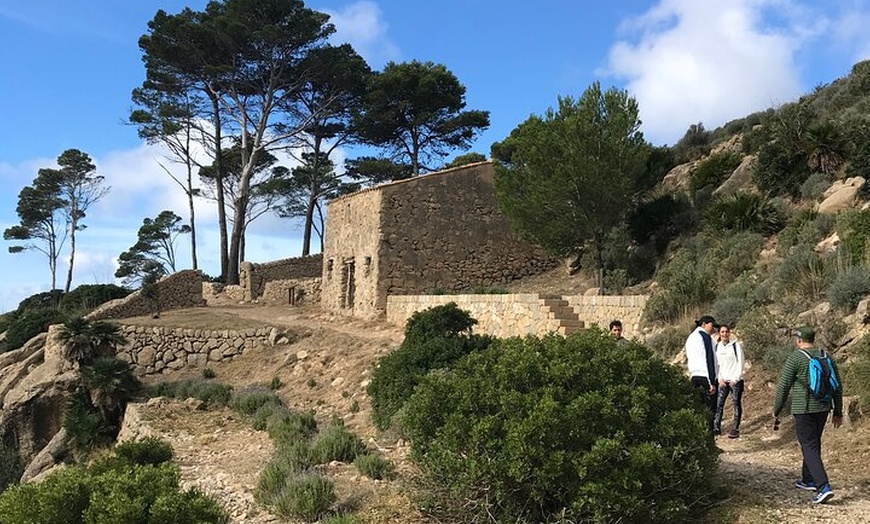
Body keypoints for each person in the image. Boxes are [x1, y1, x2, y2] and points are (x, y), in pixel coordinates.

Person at [773, 325, 843, 505]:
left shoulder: (796, 358)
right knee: (813, 443)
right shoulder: (825, 355)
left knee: (808, 445)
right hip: (824, 407)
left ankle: (823, 486)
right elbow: (837, 385)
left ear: (799, 340)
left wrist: (777, 409)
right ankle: (808, 479)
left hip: (804, 409)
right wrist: (838, 411)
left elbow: (783, 386)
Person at [685, 315, 718, 432]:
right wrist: (711, 382)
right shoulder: (705, 337)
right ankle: (709, 438)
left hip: (694, 376)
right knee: (709, 410)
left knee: (698, 408)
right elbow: (708, 359)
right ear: (704, 324)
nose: (713, 328)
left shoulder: (690, 338)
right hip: (705, 376)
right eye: (712, 325)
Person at [713, 324, 745, 438]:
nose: (724, 334)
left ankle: (735, 428)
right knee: (719, 404)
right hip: (723, 380)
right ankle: (716, 427)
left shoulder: (736, 346)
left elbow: (740, 363)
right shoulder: (718, 347)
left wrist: (735, 379)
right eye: (722, 332)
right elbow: (718, 365)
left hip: (735, 381)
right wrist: (720, 378)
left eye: (726, 332)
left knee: (736, 403)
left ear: (729, 333)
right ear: (719, 334)